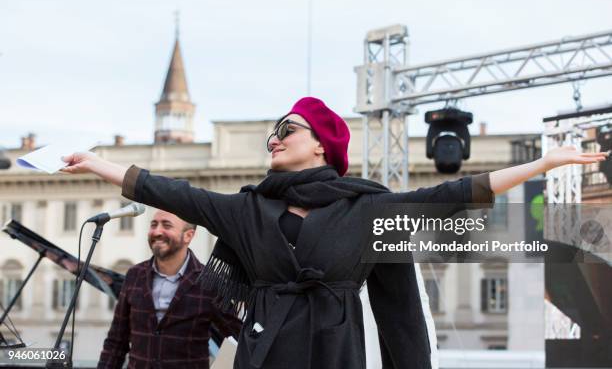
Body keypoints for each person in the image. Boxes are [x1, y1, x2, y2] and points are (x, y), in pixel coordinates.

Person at [64, 97, 608, 369]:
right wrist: (95, 163)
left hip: (335, 352)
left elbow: (452, 194)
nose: (273, 140)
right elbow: (170, 191)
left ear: (322, 144)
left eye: (287, 131)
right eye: (271, 134)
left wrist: (541, 165)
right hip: (266, 352)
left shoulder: (365, 210)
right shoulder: (246, 210)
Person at [97, 209, 242, 369]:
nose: (157, 231)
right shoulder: (134, 275)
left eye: (166, 225)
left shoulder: (210, 282)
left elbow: (239, 336)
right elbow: (116, 342)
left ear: (189, 235)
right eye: (154, 225)